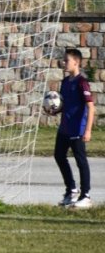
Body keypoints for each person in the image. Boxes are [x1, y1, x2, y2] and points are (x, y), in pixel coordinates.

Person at [55, 47, 95, 209]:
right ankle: (71, 190)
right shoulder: (65, 82)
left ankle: (85, 195)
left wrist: (88, 130)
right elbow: (65, 104)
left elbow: (91, 107)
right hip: (64, 128)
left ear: (76, 62)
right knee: (59, 156)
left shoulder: (82, 82)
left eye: (67, 60)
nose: (64, 63)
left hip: (77, 130)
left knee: (81, 161)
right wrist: (55, 110)